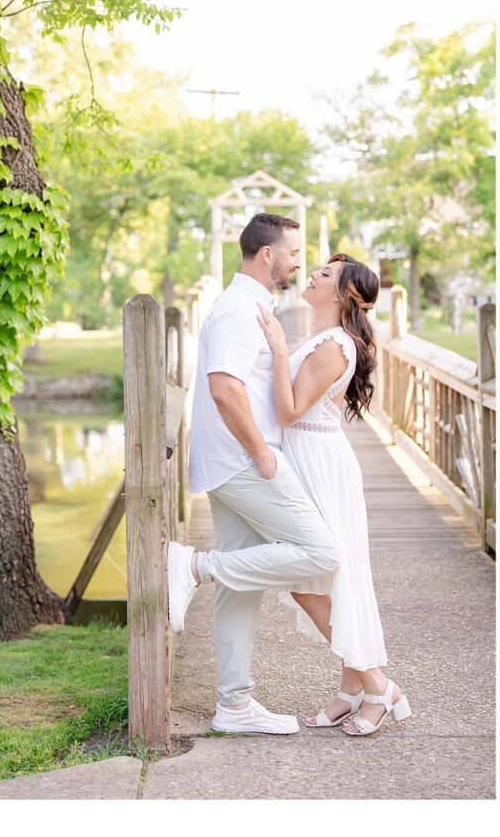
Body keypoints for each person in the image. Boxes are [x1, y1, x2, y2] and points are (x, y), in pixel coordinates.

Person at [168, 213, 339, 736]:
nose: (298, 263)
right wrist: (262, 453)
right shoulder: (238, 310)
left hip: (233, 461)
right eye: (293, 253)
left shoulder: (250, 306)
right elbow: (224, 388)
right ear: (267, 254)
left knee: (240, 584)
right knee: (321, 552)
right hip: (244, 462)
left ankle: (234, 705)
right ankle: (193, 566)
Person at [254, 252, 411, 736]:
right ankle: (352, 691)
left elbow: (290, 412)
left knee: (312, 577)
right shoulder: (324, 337)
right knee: (323, 579)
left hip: (321, 465)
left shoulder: (335, 345)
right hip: (310, 459)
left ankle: (378, 686)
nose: (314, 275)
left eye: (325, 274)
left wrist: (279, 351)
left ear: (343, 295)